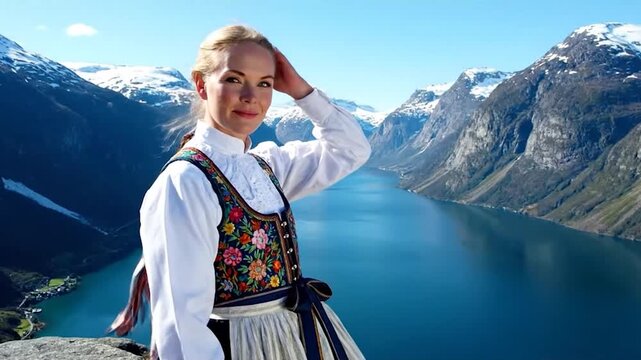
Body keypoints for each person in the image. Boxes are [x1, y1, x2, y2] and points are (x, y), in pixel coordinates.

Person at [109, 24, 371, 360]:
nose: (252, 97)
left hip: (297, 336)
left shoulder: (263, 165)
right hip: (243, 346)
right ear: (202, 85)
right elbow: (180, 321)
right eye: (234, 79)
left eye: (265, 83)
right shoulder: (186, 182)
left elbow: (350, 148)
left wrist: (302, 91)